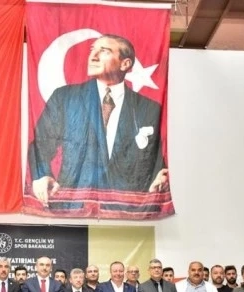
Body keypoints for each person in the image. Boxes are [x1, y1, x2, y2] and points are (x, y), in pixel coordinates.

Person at [28, 35, 167, 211]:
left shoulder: (148, 109)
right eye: (92, 50)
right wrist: (42, 176)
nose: (93, 56)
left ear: (125, 64)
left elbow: (154, 159)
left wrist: (159, 178)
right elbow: (40, 145)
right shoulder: (65, 98)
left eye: (104, 51)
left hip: (127, 211)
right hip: (73, 208)